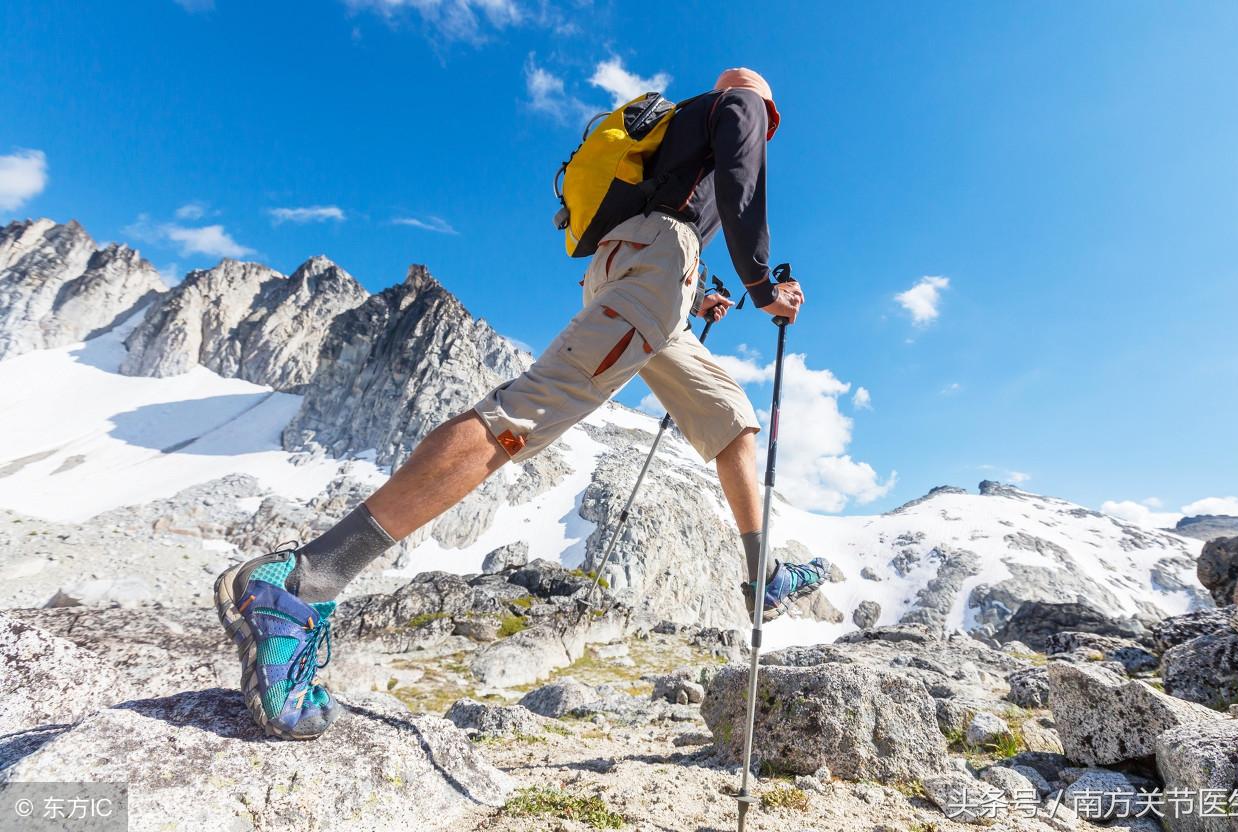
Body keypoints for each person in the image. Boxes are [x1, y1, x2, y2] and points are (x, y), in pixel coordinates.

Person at [213, 67, 832, 740]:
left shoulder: (683, 131)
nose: (767, 130)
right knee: (522, 418)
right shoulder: (740, 104)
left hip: (645, 270)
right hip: (656, 264)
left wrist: (698, 292)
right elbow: (740, 189)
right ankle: (303, 579)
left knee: (731, 417)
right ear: (766, 110)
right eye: (770, 122)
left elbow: (679, 210)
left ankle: (762, 571)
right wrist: (762, 283)